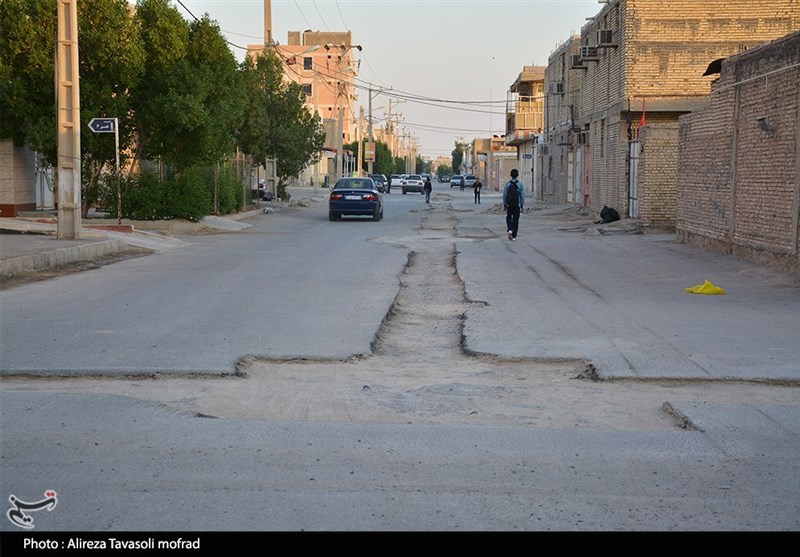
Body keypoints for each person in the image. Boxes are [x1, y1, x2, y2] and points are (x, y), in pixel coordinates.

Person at [502, 168, 525, 241]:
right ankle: (514, 236)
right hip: (516, 205)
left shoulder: (508, 184)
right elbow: (522, 196)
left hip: (509, 205)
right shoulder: (520, 184)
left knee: (509, 217)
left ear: (511, 175)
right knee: (516, 219)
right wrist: (521, 205)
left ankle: (510, 229)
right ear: (517, 175)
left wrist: (505, 204)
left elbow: (505, 195)